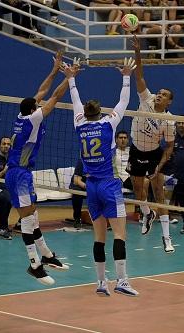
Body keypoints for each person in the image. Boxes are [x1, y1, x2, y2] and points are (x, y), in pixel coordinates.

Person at [65, 58, 139, 296]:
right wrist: (126, 76)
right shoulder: (109, 124)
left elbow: (75, 101)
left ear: (85, 113)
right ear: (100, 112)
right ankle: (122, 281)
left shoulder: (79, 125)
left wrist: (71, 78)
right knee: (120, 234)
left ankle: (100, 283)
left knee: (99, 237)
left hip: (91, 187)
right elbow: (124, 101)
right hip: (109, 185)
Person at [5, 51, 69, 285]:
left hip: (22, 173)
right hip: (17, 174)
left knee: (32, 216)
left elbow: (41, 92)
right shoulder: (33, 119)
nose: (39, 103)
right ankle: (34, 264)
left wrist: (54, 71)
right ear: (34, 110)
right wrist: (69, 78)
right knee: (27, 219)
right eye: (37, 106)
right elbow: (54, 98)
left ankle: (48, 256)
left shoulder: (22, 115)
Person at [130, 35, 176, 253]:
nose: (159, 95)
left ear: (169, 102)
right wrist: (138, 51)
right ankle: (147, 214)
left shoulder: (169, 119)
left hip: (153, 154)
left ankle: (167, 238)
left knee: (159, 193)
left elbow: (169, 147)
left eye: (164, 95)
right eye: (159, 93)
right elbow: (139, 74)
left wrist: (159, 166)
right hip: (135, 149)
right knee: (138, 192)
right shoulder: (145, 99)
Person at [70, 158, 86, 228]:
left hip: (91, 182)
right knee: (77, 192)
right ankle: (77, 218)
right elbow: (76, 181)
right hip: (78, 183)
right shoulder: (81, 162)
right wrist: (88, 187)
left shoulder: (100, 161)